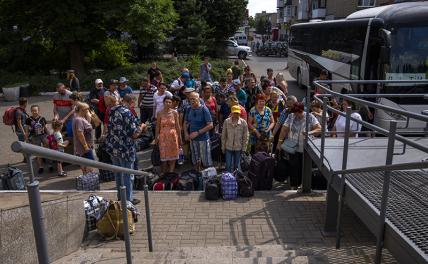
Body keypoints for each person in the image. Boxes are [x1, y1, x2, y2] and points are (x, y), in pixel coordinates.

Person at [106, 94, 147, 204]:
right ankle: (128, 201)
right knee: (128, 175)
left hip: (113, 147)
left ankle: (121, 197)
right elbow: (134, 134)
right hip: (125, 149)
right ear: (132, 102)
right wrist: (142, 127)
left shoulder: (112, 110)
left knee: (118, 174)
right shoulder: (127, 112)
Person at [277, 102, 321, 189]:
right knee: (293, 167)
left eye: (298, 113)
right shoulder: (291, 116)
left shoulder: (309, 116)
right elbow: (284, 129)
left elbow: (319, 128)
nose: (296, 115)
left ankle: (303, 185)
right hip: (293, 147)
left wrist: (309, 133)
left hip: (306, 148)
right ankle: (294, 185)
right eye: (295, 113)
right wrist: (279, 142)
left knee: (304, 167)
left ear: (302, 110)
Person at [184, 92, 214, 169]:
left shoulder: (204, 109)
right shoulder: (188, 109)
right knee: (195, 159)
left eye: (193, 99)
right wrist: (186, 134)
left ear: (199, 99)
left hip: (203, 139)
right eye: (190, 99)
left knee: (205, 160)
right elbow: (185, 123)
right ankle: (198, 175)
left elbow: (210, 125)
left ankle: (208, 176)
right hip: (193, 139)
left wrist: (197, 133)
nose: (192, 101)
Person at [155, 95, 182, 173]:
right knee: (164, 157)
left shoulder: (174, 113)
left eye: (169, 102)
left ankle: (171, 173)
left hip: (173, 137)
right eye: (166, 102)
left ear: (172, 103)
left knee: (173, 157)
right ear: (163, 103)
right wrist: (156, 136)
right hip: (163, 137)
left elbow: (177, 126)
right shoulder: (159, 113)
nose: (168, 103)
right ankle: (164, 174)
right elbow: (157, 126)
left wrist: (180, 138)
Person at [221, 105, 249, 172]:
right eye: (235, 113)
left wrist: (244, 148)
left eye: (238, 113)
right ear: (231, 113)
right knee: (228, 165)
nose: (236, 114)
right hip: (228, 147)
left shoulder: (243, 122)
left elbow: (246, 136)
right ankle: (228, 179)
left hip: (238, 147)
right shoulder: (226, 122)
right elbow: (223, 135)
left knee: (236, 165)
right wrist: (223, 147)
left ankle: (236, 178)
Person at [72, 102, 97, 174]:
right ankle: (89, 177)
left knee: (85, 162)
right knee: (89, 163)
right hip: (85, 147)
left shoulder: (79, 118)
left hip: (85, 145)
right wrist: (85, 146)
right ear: (82, 110)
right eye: (87, 109)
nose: (88, 111)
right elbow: (80, 133)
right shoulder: (79, 120)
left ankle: (86, 176)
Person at [25, 105, 50, 174]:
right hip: (34, 137)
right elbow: (27, 130)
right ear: (31, 111)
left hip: (43, 136)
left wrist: (50, 136)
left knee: (47, 150)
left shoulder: (42, 118)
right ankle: (40, 167)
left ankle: (49, 165)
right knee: (38, 152)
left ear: (38, 111)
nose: (34, 112)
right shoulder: (28, 120)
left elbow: (46, 128)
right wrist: (26, 139)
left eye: (35, 110)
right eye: (32, 110)